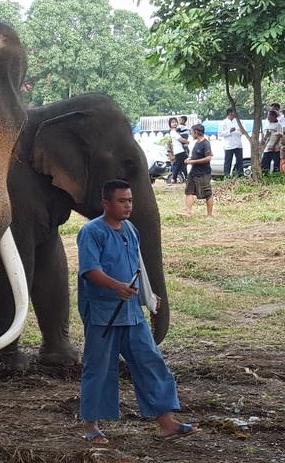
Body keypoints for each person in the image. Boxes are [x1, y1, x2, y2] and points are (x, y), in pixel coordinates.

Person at [77, 180, 200, 445]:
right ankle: (91, 425)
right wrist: (116, 286)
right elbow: (89, 270)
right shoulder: (91, 232)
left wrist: (149, 296)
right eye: (122, 201)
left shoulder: (131, 230)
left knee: (151, 362)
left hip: (132, 313)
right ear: (106, 204)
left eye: (130, 200)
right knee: (99, 369)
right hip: (104, 314)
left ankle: (166, 423)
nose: (128, 206)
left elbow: (138, 267)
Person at [183, 124, 214, 217]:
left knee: (207, 193)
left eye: (192, 132)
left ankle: (209, 214)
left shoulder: (206, 143)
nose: (191, 134)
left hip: (203, 173)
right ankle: (188, 212)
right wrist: (189, 160)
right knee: (189, 191)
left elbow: (208, 158)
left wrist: (193, 161)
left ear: (196, 132)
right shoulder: (196, 143)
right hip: (193, 172)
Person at [218, 108, 243, 176]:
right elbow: (220, 133)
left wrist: (238, 131)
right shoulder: (223, 122)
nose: (236, 114)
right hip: (229, 145)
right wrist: (229, 131)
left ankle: (240, 175)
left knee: (239, 161)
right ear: (230, 113)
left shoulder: (238, 121)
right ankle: (227, 176)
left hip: (238, 144)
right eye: (234, 112)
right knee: (228, 162)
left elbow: (242, 131)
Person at [168, 117, 188, 183]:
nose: (175, 123)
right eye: (173, 122)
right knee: (179, 165)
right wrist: (189, 142)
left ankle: (183, 178)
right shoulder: (173, 132)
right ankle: (174, 178)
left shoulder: (178, 131)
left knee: (182, 165)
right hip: (179, 151)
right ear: (170, 124)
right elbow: (181, 139)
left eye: (176, 122)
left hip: (180, 150)